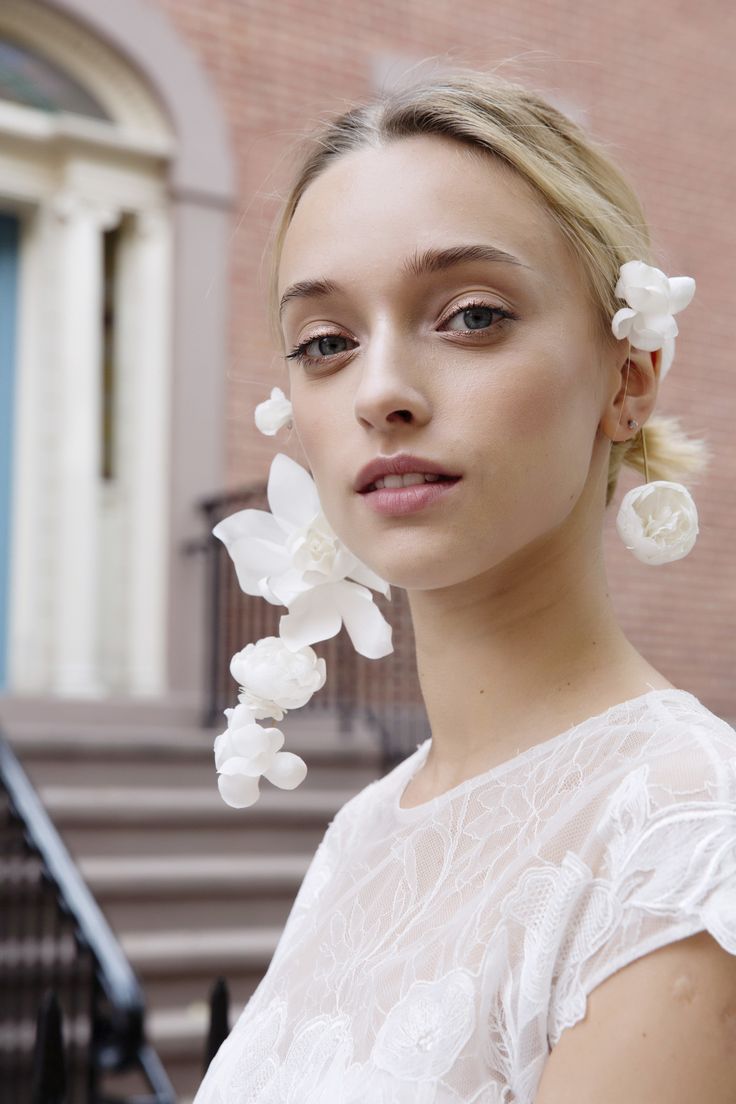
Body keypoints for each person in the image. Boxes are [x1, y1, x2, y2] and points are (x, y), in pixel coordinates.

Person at [193, 66, 736, 1103]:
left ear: (627, 379)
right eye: (325, 343)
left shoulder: (682, 848)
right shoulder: (368, 830)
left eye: (472, 316)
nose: (382, 391)